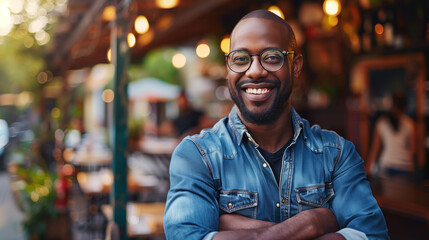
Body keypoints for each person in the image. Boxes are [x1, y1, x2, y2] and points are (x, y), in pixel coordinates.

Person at [164, 9, 389, 240]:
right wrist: (314, 222)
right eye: (240, 59)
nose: (255, 71)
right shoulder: (197, 155)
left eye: (271, 57)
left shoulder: (337, 154)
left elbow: (373, 235)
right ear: (228, 67)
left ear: (296, 65)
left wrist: (232, 228)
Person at [366, 90, 416, 179]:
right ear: (405, 107)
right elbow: (413, 149)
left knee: (387, 193)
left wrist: (368, 169)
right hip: (406, 166)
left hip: (387, 165)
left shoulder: (382, 122)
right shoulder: (409, 123)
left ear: (391, 105)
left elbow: (375, 148)